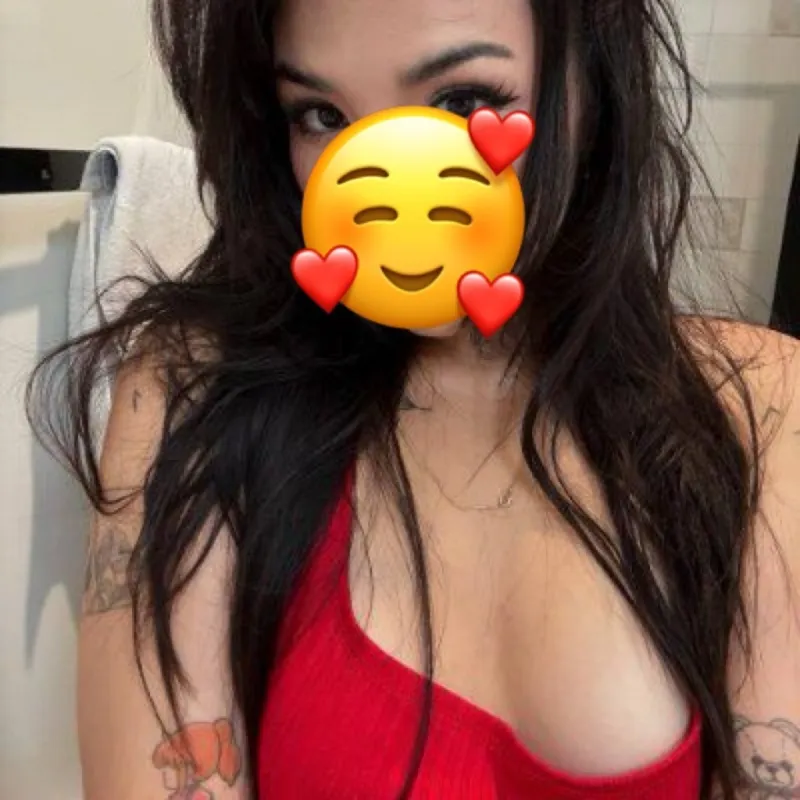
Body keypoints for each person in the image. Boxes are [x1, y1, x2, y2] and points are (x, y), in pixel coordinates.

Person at [27, 0, 800, 798]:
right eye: (321, 114)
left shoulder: (764, 403)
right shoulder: (190, 392)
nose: (384, 190)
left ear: (592, 82)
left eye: (463, 101)